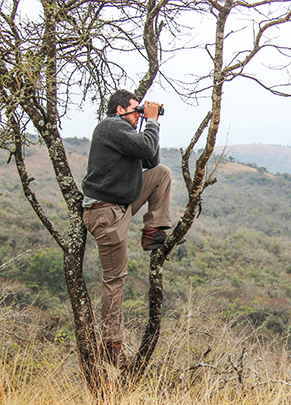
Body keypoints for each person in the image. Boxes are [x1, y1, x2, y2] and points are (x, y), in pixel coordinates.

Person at [81, 89, 181, 367]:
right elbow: (146, 148)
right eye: (135, 109)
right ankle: (111, 345)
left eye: (140, 110)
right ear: (119, 110)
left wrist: (148, 123)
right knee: (115, 278)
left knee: (162, 175)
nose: (139, 114)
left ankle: (154, 232)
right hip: (106, 213)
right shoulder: (110, 126)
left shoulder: (127, 134)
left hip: (121, 205)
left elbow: (151, 161)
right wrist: (151, 121)